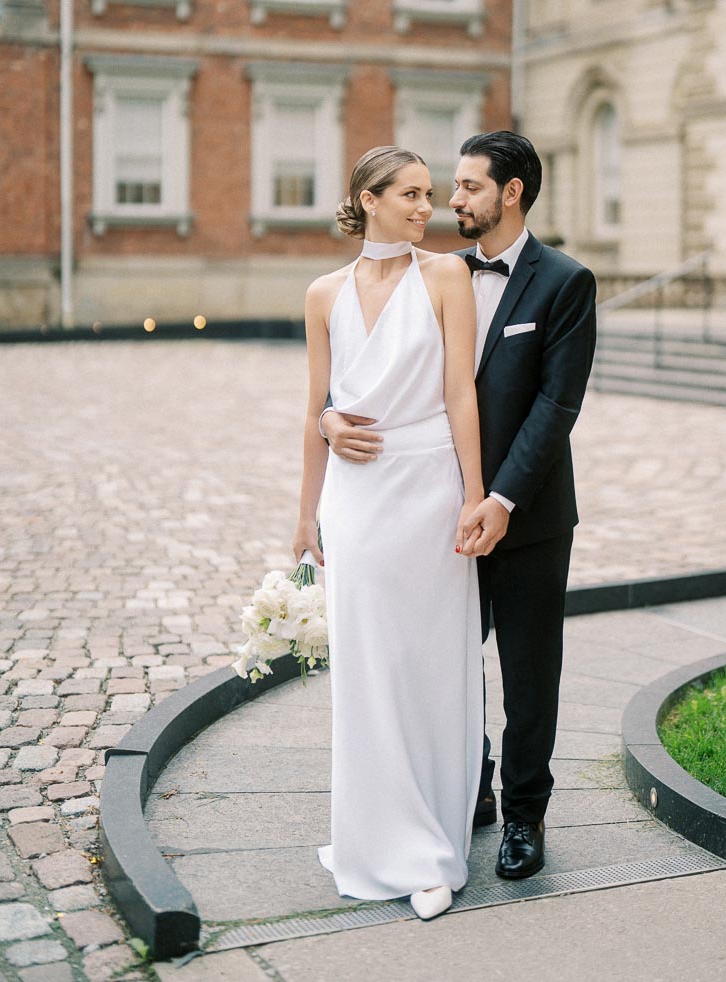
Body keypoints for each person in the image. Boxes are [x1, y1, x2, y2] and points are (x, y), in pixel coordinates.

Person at [323, 131, 597, 881]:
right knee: (438, 657)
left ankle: (524, 818)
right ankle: (463, 789)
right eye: (449, 186)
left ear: (510, 193)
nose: (451, 199)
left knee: (529, 672)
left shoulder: (566, 283)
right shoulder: (432, 274)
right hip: (433, 510)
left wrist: (502, 496)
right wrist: (327, 418)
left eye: (468, 186)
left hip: (528, 514)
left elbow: (556, 405)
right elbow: (363, 368)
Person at [292, 146, 485, 923]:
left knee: (431, 667)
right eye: (408, 194)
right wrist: (305, 513)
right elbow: (315, 407)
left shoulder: (446, 277)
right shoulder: (321, 293)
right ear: (367, 199)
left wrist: (476, 497)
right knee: (368, 673)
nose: (424, 208)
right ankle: (379, 841)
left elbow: (461, 394)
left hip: (431, 493)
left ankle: (433, 844)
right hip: (357, 502)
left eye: (429, 195)